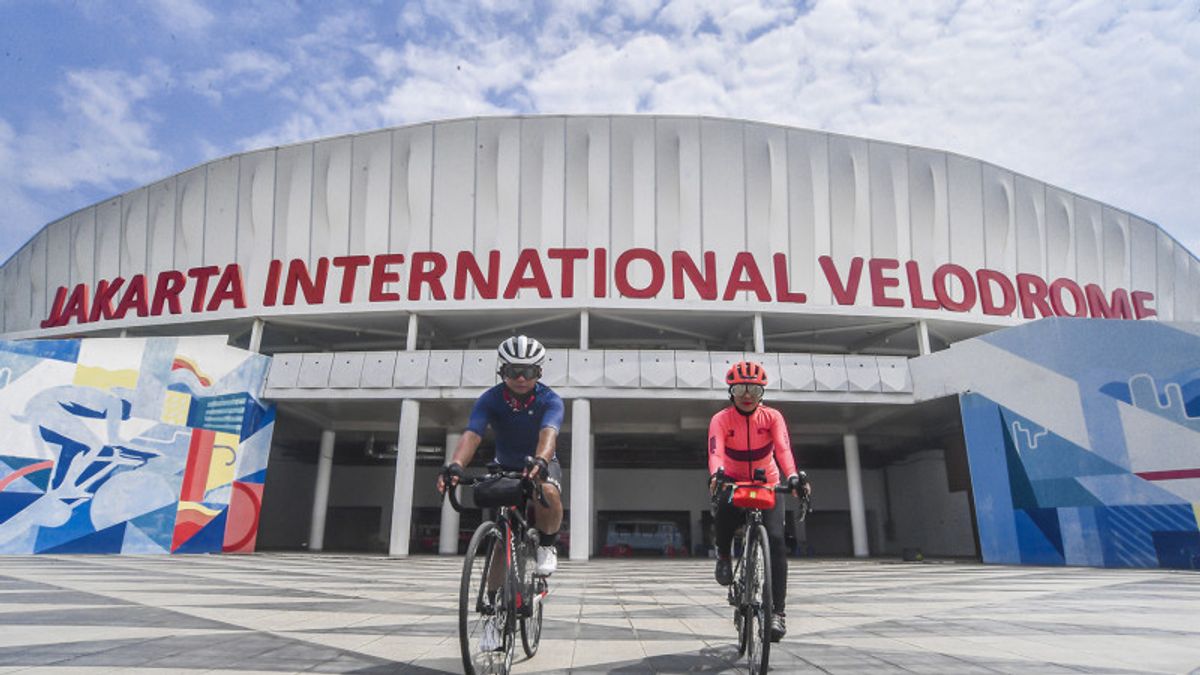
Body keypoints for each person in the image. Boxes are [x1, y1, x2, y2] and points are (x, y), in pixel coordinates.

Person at [437, 335, 565, 577]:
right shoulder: (490, 399)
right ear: (502, 371)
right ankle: (494, 603)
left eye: (528, 372)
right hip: (504, 467)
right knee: (502, 541)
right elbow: (473, 433)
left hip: (540, 462)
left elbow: (548, 435)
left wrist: (541, 461)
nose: (520, 378)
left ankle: (547, 546)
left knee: (548, 492)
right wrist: (455, 465)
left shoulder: (550, 400)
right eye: (513, 370)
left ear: (539, 372)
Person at [708, 360, 811, 643]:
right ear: (731, 390)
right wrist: (716, 474)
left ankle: (777, 612)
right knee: (725, 515)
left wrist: (791, 477)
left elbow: (783, 449)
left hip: (767, 482)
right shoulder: (721, 419)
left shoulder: (773, 417)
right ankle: (724, 557)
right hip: (733, 480)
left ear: (762, 391)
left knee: (776, 541)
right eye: (740, 388)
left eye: (754, 388)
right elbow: (715, 452)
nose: (747, 394)